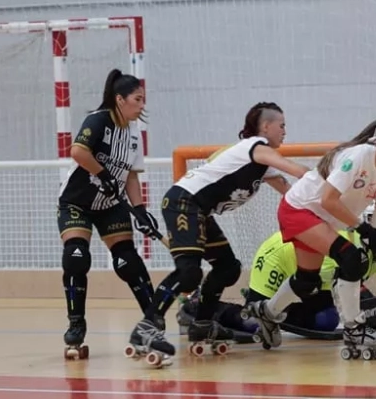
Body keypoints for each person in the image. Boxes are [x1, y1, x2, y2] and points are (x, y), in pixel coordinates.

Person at [126, 102, 309, 358]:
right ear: (266, 127)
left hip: (199, 211)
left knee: (228, 268)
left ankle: (202, 324)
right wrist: (322, 179)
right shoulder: (256, 146)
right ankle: (148, 326)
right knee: (189, 272)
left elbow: (291, 193)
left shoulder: (262, 163)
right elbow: (297, 171)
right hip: (183, 202)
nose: (285, 131)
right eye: (282, 125)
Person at [243, 116, 376, 361]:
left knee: (306, 281)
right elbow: (328, 200)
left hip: (321, 220)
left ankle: (267, 312)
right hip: (298, 210)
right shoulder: (358, 156)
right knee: (351, 259)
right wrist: (360, 227)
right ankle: (354, 329)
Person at [57, 68, 165, 359]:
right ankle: (76, 324)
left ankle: (153, 320)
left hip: (109, 205)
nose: (142, 105)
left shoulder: (133, 133)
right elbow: (78, 152)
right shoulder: (98, 120)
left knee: (127, 261)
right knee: (76, 257)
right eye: (137, 99)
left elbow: (131, 175)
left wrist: (140, 210)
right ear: (120, 99)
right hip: (77, 202)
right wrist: (103, 174)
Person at [237, 201, 376, 344]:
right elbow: (332, 286)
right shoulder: (343, 244)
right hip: (276, 259)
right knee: (251, 323)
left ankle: (275, 311)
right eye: (372, 219)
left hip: (316, 278)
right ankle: (226, 312)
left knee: (326, 320)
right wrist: (373, 313)